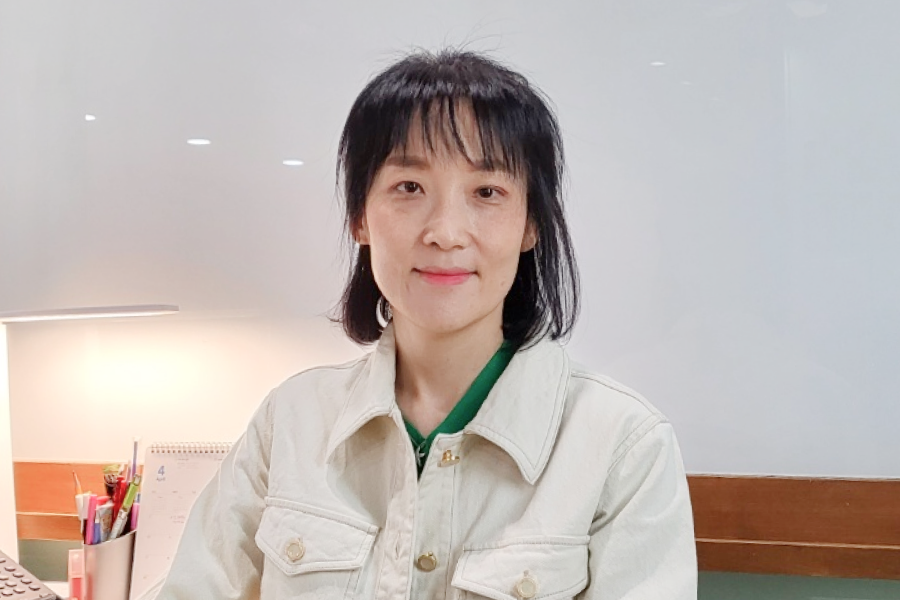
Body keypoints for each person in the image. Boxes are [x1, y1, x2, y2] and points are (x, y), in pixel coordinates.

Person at [156, 49, 697, 600]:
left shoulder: (623, 446)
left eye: (487, 192)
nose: (445, 232)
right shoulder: (290, 421)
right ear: (360, 217)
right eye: (409, 187)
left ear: (531, 224)